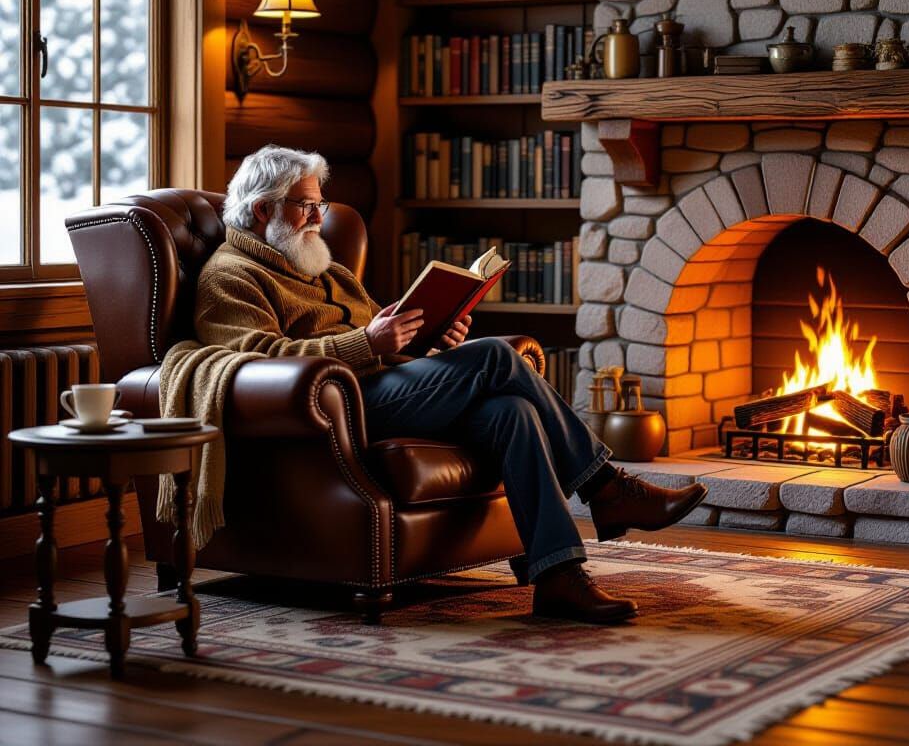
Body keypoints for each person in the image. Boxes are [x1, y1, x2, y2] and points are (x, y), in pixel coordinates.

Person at [195, 145, 708, 624]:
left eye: (320, 204)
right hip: (340, 410)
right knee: (494, 356)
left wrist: (432, 335)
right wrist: (368, 344)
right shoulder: (230, 275)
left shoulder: (322, 268)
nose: (318, 217)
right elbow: (255, 360)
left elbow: (381, 334)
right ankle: (607, 487)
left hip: (386, 386)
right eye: (306, 205)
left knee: (514, 412)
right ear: (262, 210)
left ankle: (558, 576)